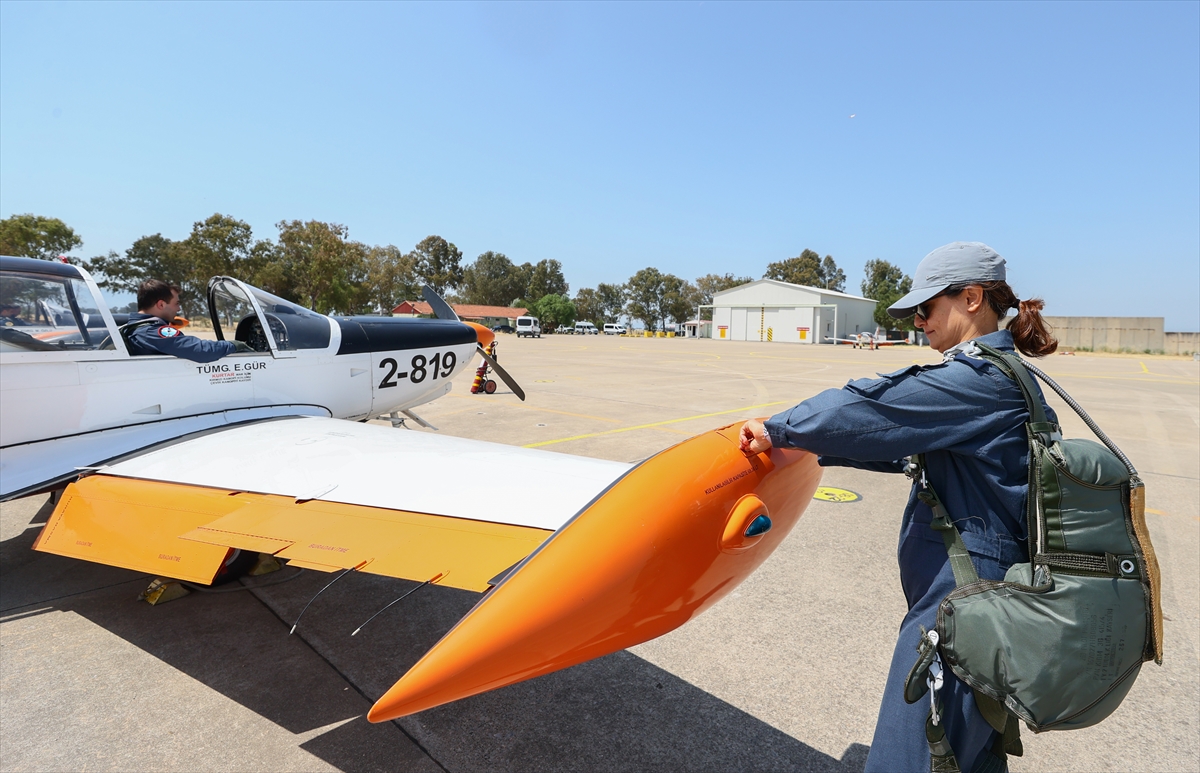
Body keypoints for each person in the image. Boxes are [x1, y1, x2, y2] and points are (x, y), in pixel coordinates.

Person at [740, 242, 1059, 773]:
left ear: (972, 298)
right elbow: (912, 447)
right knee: (968, 758)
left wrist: (779, 430)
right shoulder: (1006, 379)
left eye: (927, 307)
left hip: (963, 610)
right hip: (991, 604)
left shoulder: (978, 380)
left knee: (906, 759)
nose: (918, 320)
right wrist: (815, 447)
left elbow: (875, 408)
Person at [126, 280, 250, 362]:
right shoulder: (151, 332)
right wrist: (234, 345)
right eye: (176, 303)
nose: (179, 308)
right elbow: (201, 351)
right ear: (161, 305)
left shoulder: (134, 329)